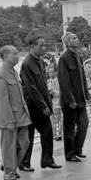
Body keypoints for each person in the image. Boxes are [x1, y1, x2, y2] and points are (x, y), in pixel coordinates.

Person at [0, 45, 32, 180]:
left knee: (25, 143)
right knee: (9, 146)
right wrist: (8, 120)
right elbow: (2, 101)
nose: (17, 56)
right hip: (9, 118)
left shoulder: (13, 72)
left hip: (21, 116)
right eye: (14, 54)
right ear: (4, 57)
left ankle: (9, 164)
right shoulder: (0, 75)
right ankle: (9, 173)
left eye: (17, 53)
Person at [20, 37, 61, 171]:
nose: (44, 48)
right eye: (41, 45)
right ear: (32, 46)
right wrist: (43, 106)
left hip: (41, 103)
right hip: (32, 105)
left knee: (47, 131)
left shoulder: (40, 62)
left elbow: (42, 85)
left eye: (45, 45)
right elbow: (31, 88)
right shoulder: (27, 64)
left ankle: (46, 160)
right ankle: (25, 162)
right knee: (29, 134)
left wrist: (47, 103)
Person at [57, 32, 91, 162]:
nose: (77, 40)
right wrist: (70, 100)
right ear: (67, 43)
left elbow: (82, 78)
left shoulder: (78, 56)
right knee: (69, 128)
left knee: (84, 124)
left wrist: (87, 94)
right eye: (74, 38)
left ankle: (78, 149)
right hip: (69, 101)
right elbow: (64, 82)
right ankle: (70, 154)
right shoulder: (64, 58)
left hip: (80, 98)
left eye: (77, 37)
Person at [47, 66, 63, 141]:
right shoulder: (48, 81)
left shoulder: (59, 81)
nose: (51, 74)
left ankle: (59, 134)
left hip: (57, 103)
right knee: (51, 120)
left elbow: (61, 92)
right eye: (49, 72)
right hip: (51, 104)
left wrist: (54, 93)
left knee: (59, 119)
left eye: (52, 72)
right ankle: (53, 134)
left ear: (55, 72)